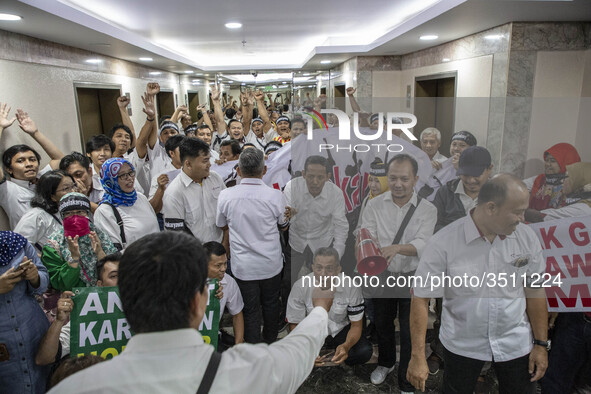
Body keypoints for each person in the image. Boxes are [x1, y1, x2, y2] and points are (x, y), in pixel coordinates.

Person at [48, 231, 335, 394]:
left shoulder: (73, 389)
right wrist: (321, 310)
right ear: (199, 304)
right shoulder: (249, 372)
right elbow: (299, 348)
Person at [407, 174, 549, 394]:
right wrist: (417, 356)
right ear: (491, 208)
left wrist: (541, 344)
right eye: (517, 211)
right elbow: (421, 298)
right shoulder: (443, 242)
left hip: (516, 343)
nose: (522, 218)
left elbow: (535, 291)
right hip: (462, 345)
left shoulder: (527, 237)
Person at [358, 154, 437, 389]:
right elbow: (366, 233)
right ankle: (386, 362)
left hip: (413, 277)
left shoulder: (427, 209)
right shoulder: (373, 204)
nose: (398, 184)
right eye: (393, 178)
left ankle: (406, 378)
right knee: (382, 323)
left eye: (404, 178)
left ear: (415, 179)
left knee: (410, 327)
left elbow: (425, 243)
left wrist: (398, 248)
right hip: (382, 275)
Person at [216, 148, 289, 343]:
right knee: (271, 306)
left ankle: (253, 349)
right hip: (270, 264)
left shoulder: (226, 195)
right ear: (264, 170)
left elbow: (221, 224)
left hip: (243, 267)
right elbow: (283, 226)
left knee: (249, 310)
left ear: (238, 170)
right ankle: (271, 342)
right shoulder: (275, 196)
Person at [287, 247, 372, 367]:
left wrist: (346, 346)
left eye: (329, 269)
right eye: (319, 268)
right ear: (312, 268)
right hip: (312, 332)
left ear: (338, 269)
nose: (323, 274)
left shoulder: (351, 286)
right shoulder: (300, 287)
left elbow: (356, 325)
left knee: (364, 351)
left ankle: (341, 356)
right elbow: (294, 324)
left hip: (340, 330)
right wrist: (306, 351)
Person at [36, 252, 121, 366]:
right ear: (100, 285)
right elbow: (44, 358)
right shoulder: (86, 318)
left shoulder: (144, 311)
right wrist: (59, 321)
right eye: (114, 276)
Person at [0, 231, 50, 394]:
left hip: (33, 333)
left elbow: (43, 280)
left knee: (45, 381)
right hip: (5, 347)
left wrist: (35, 276)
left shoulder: (15, 243)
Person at [0, 104, 65, 228]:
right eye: (20, 161)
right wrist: (0, 128)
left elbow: (60, 160)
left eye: (32, 159)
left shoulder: (44, 179)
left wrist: (35, 133)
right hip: (31, 246)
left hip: (60, 242)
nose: (29, 164)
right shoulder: (7, 189)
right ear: (8, 169)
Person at [284, 155, 348, 279]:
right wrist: (292, 216)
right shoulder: (292, 187)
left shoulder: (336, 193)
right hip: (296, 243)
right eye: (311, 176)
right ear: (303, 174)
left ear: (328, 177)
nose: (315, 182)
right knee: (288, 281)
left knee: (324, 285)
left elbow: (341, 226)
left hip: (323, 243)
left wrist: (336, 255)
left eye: (320, 177)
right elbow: (284, 220)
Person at [42, 192, 117, 291]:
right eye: (69, 213)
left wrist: (100, 253)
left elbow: (115, 274)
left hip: (104, 297)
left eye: (80, 212)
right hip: (73, 301)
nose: (75, 217)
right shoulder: (53, 245)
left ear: (87, 214)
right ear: (62, 216)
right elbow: (60, 283)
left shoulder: (100, 236)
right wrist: (74, 258)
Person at [162, 138, 227, 245]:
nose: (209, 164)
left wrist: (225, 243)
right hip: (196, 255)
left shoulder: (215, 178)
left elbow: (226, 212)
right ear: (188, 164)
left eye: (209, 159)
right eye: (205, 161)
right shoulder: (174, 193)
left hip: (221, 249)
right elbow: (177, 236)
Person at [94, 158, 159, 250]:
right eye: (122, 175)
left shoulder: (140, 198)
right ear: (110, 180)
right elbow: (113, 251)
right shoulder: (105, 211)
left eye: (130, 172)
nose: (129, 178)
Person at [432, 146, 493, 232]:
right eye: (466, 175)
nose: (471, 180)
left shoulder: (499, 194)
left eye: (476, 175)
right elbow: (433, 224)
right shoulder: (445, 192)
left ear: (489, 169)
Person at [14, 170, 76, 251]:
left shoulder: (66, 212)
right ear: (52, 195)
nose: (73, 192)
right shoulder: (36, 216)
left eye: (73, 186)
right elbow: (17, 247)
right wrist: (44, 260)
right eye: (66, 188)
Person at [203, 241, 244, 348]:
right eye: (218, 265)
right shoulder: (185, 280)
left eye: (225, 263)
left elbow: (237, 314)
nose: (223, 269)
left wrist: (238, 345)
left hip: (212, 338)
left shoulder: (229, 282)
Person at [528, 142, 580, 211]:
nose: (547, 164)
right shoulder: (541, 179)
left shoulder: (575, 184)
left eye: (552, 161)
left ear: (567, 162)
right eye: (546, 160)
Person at [147, 134, 185, 214]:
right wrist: (160, 189)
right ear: (172, 153)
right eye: (183, 150)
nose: (187, 153)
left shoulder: (196, 173)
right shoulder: (160, 177)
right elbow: (152, 209)